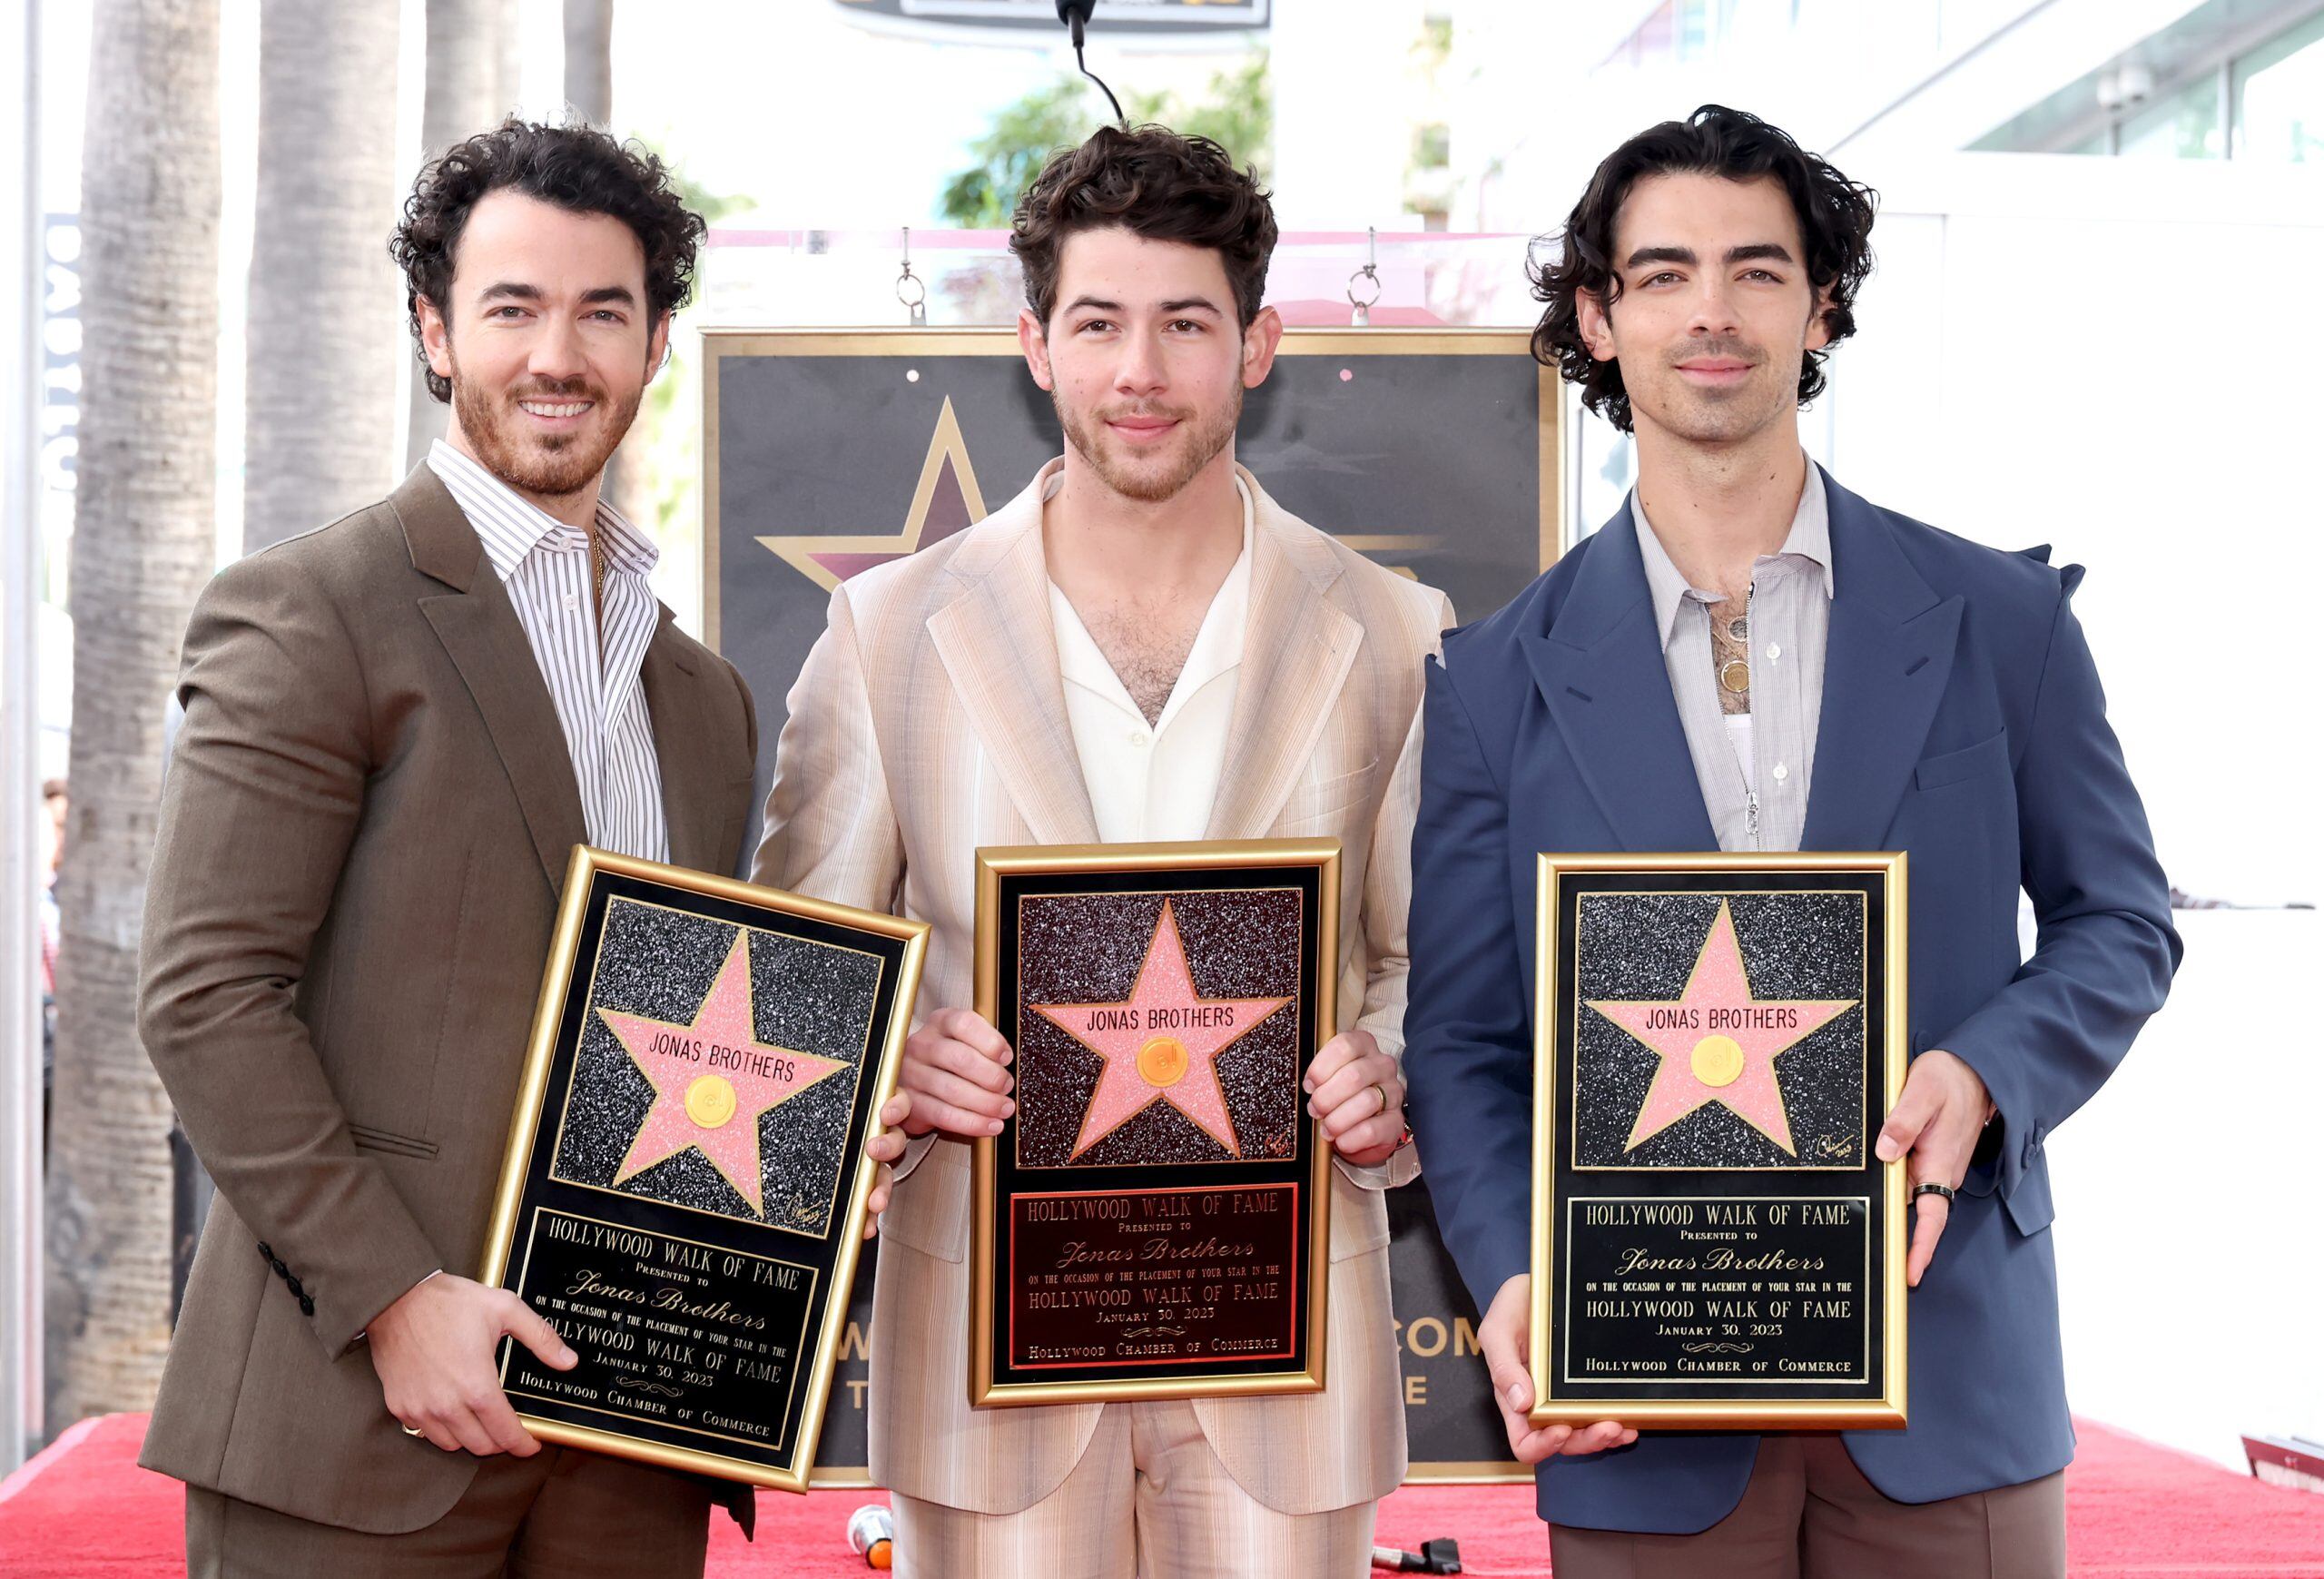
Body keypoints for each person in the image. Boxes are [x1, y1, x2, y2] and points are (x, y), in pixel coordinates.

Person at [1403, 104, 2180, 1579]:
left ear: (1821, 305)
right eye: (1663, 274)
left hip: (1949, 1379)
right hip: (1641, 1416)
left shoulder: (2000, 628)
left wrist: (1983, 1074)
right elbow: (1462, 1043)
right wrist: (1509, 1276)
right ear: (1598, 314)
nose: (1712, 311)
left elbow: (2121, 927)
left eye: (1759, 271)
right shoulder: (1495, 681)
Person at [135, 119, 878, 1577]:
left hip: (630, 1448)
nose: (560, 353)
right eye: (512, 307)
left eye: (604, 310)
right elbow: (205, 997)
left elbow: (702, 1048)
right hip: (353, 1421)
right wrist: (394, 1296)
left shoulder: (703, 697)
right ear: (435, 327)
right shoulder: (311, 613)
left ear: (656, 340)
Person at [753, 124, 1446, 1577]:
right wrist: (897, 1064)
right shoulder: (885, 636)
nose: (1142, 371)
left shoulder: (1390, 633)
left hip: (1288, 1345)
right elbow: (796, 1003)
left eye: (1186, 324)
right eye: (1100, 324)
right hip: (987, 1358)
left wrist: (1388, 1073)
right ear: (1034, 344)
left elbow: (1418, 962)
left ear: (1256, 345)